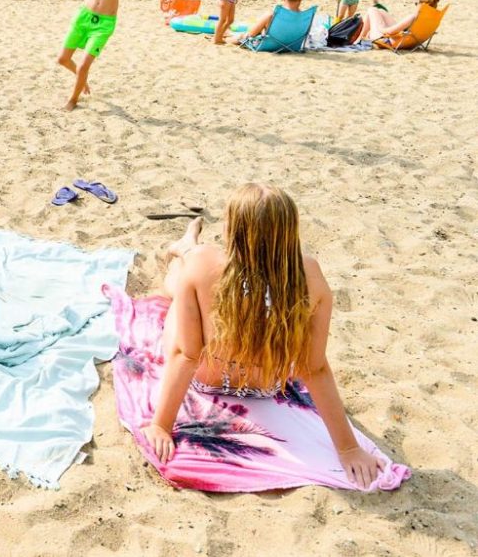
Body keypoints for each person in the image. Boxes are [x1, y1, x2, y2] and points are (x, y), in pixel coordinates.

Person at [139, 184, 386, 488]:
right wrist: (348, 449)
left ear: (234, 230)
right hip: (268, 387)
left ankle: (183, 248)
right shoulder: (309, 275)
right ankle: (183, 247)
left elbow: (186, 354)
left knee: (180, 284)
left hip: (207, 378)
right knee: (190, 274)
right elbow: (314, 367)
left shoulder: (205, 264)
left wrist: (161, 426)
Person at [355, 0, 439, 45]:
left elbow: (391, 31)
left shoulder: (413, 17)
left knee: (372, 10)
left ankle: (360, 38)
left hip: (388, 40)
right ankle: (362, 36)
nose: (416, 5)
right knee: (380, 11)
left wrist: (381, 28)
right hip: (409, 40)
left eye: (417, 3)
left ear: (421, 5)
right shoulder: (431, 18)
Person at [234, 0, 304, 44]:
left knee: (241, 37)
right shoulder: (304, 16)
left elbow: (250, 35)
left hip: (273, 44)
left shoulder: (272, 15)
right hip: (292, 45)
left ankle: (224, 38)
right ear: (300, 0)